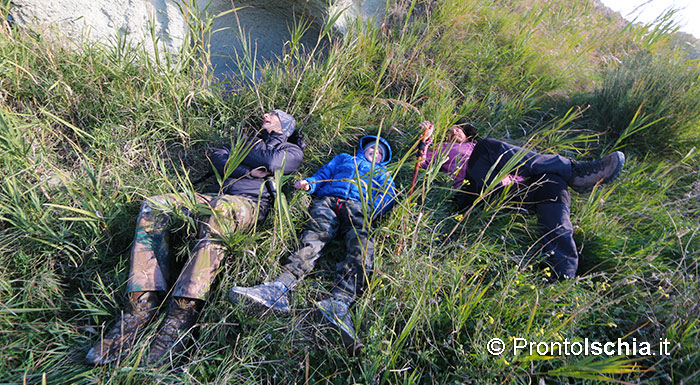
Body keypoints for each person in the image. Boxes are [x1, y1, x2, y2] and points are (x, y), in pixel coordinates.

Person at [85, 110, 304, 366]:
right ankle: (142, 302)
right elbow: (217, 158)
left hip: (247, 204)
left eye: (274, 114)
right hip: (210, 197)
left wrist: (242, 154)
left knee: (220, 211)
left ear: (286, 125)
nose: (266, 114)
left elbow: (276, 163)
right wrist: (252, 161)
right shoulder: (247, 139)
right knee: (156, 205)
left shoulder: (292, 149)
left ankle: (181, 314)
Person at [228, 135, 396, 352]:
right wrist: (310, 184)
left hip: (359, 207)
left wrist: (375, 209)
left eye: (380, 153)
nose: (375, 152)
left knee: (362, 247)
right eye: (373, 148)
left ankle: (340, 304)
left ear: (383, 159)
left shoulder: (382, 172)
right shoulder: (345, 158)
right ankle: (280, 288)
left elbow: (388, 194)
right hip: (327, 200)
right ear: (364, 149)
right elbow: (324, 174)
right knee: (313, 237)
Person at [418, 119, 625, 280]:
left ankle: (563, 272)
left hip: (506, 191)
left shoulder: (475, 145)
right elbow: (421, 163)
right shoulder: (442, 149)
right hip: (473, 192)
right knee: (488, 146)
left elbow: (518, 171)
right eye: (450, 130)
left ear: (467, 134)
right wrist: (425, 139)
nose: (453, 131)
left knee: (551, 182)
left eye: (458, 129)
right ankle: (574, 170)